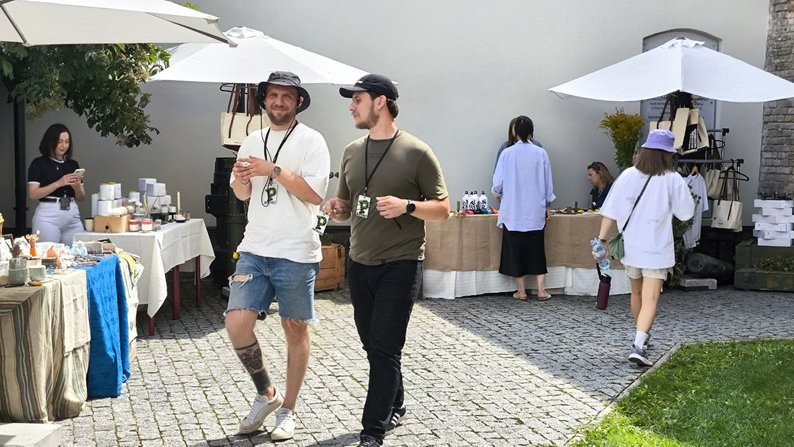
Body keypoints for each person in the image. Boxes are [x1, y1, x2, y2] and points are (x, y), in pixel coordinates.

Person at [323, 74, 450, 447]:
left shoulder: (417, 152)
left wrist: (407, 206)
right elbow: (347, 205)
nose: (351, 106)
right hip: (359, 262)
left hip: (401, 262)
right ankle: (396, 401)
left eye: (357, 99)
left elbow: (443, 209)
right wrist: (337, 207)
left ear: (380, 102)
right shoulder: (351, 151)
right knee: (373, 345)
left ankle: (372, 431)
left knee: (384, 346)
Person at [226, 71, 330, 440]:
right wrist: (241, 179)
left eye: (286, 96)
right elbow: (242, 194)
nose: (279, 102)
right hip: (255, 247)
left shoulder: (312, 140)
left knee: (295, 329)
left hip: (296, 250)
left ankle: (288, 410)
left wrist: (274, 170)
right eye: (273, 95)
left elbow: (314, 195)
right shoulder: (253, 139)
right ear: (264, 100)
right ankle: (267, 394)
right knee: (236, 323)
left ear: (298, 101)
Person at [595, 129, 694, 367]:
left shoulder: (627, 175)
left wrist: (600, 241)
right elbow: (686, 213)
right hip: (657, 248)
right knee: (651, 298)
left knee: (637, 294)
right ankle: (638, 345)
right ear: (668, 155)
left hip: (631, 247)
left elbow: (610, 211)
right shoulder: (673, 179)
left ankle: (642, 336)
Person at [492, 115, 555, 301]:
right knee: (537, 249)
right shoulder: (540, 153)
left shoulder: (507, 153)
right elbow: (548, 183)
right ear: (531, 131)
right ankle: (541, 290)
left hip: (513, 210)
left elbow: (497, 182)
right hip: (535, 210)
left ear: (515, 132)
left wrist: (497, 192)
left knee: (515, 250)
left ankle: (521, 292)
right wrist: (547, 204)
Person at [27, 124, 85, 245]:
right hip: (48, 216)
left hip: (72, 215)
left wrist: (77, 187)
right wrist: (59, 183)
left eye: (67, 142)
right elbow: (32, 194)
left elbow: (81, 197)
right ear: (50, 142)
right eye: (60, 142)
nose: (64, 145)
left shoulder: (73, 164)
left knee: (78, 251)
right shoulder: (39, 163)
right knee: (49, 253)